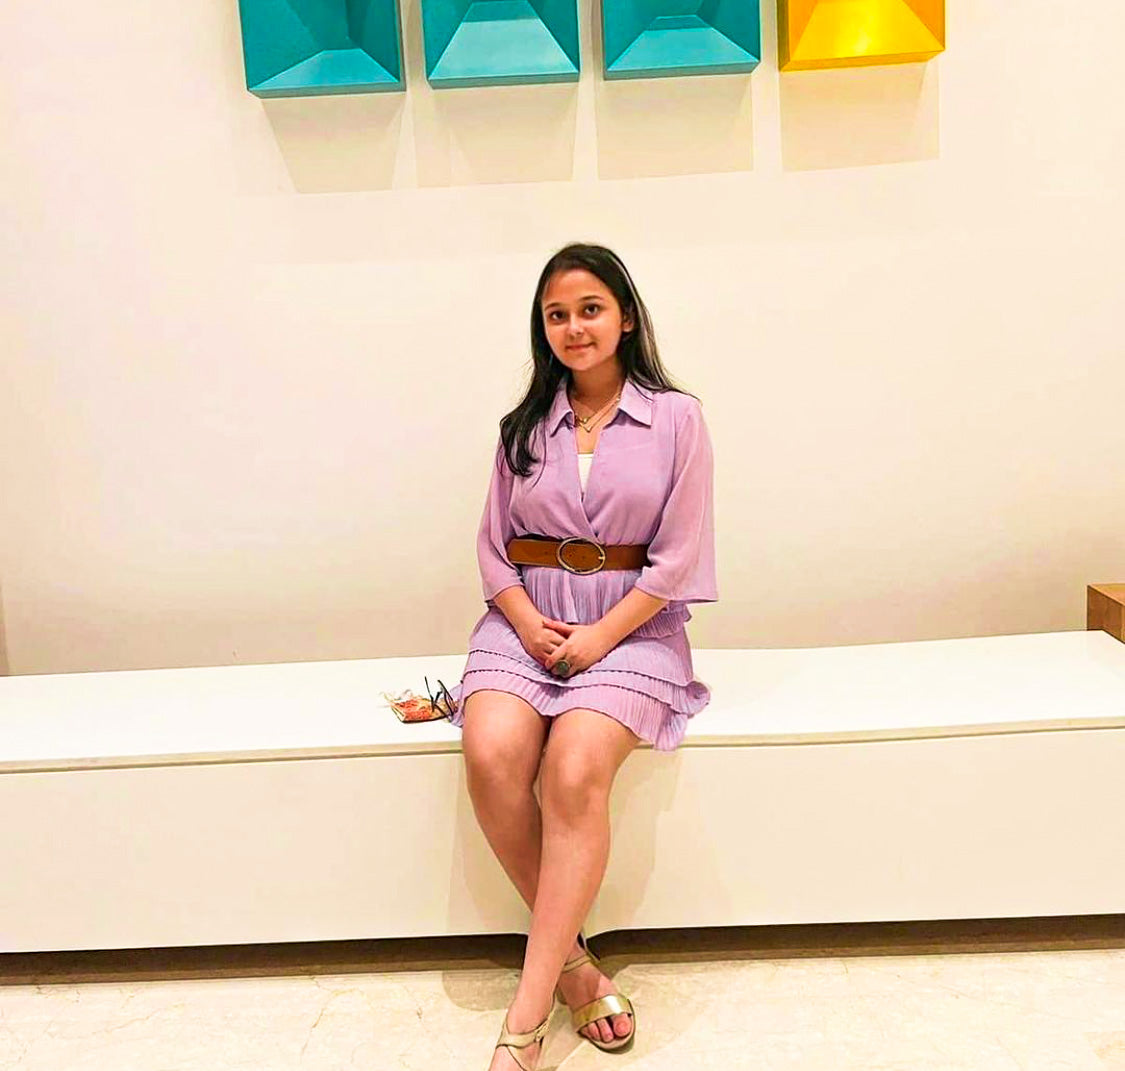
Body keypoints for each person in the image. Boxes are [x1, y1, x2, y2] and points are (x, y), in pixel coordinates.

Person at [445, 242, 717, 1071]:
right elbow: (492, 550)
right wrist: (527, 623)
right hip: (525, 622)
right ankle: (572, 965)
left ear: (625, 316)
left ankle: (525, 1018)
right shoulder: (522, 427)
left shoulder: (676, 418)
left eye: (590, 309)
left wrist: (601, 636)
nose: (574, 327)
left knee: (571, 769)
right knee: (491, 749)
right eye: (556, 314)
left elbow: (677, 557)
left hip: (632, 629)